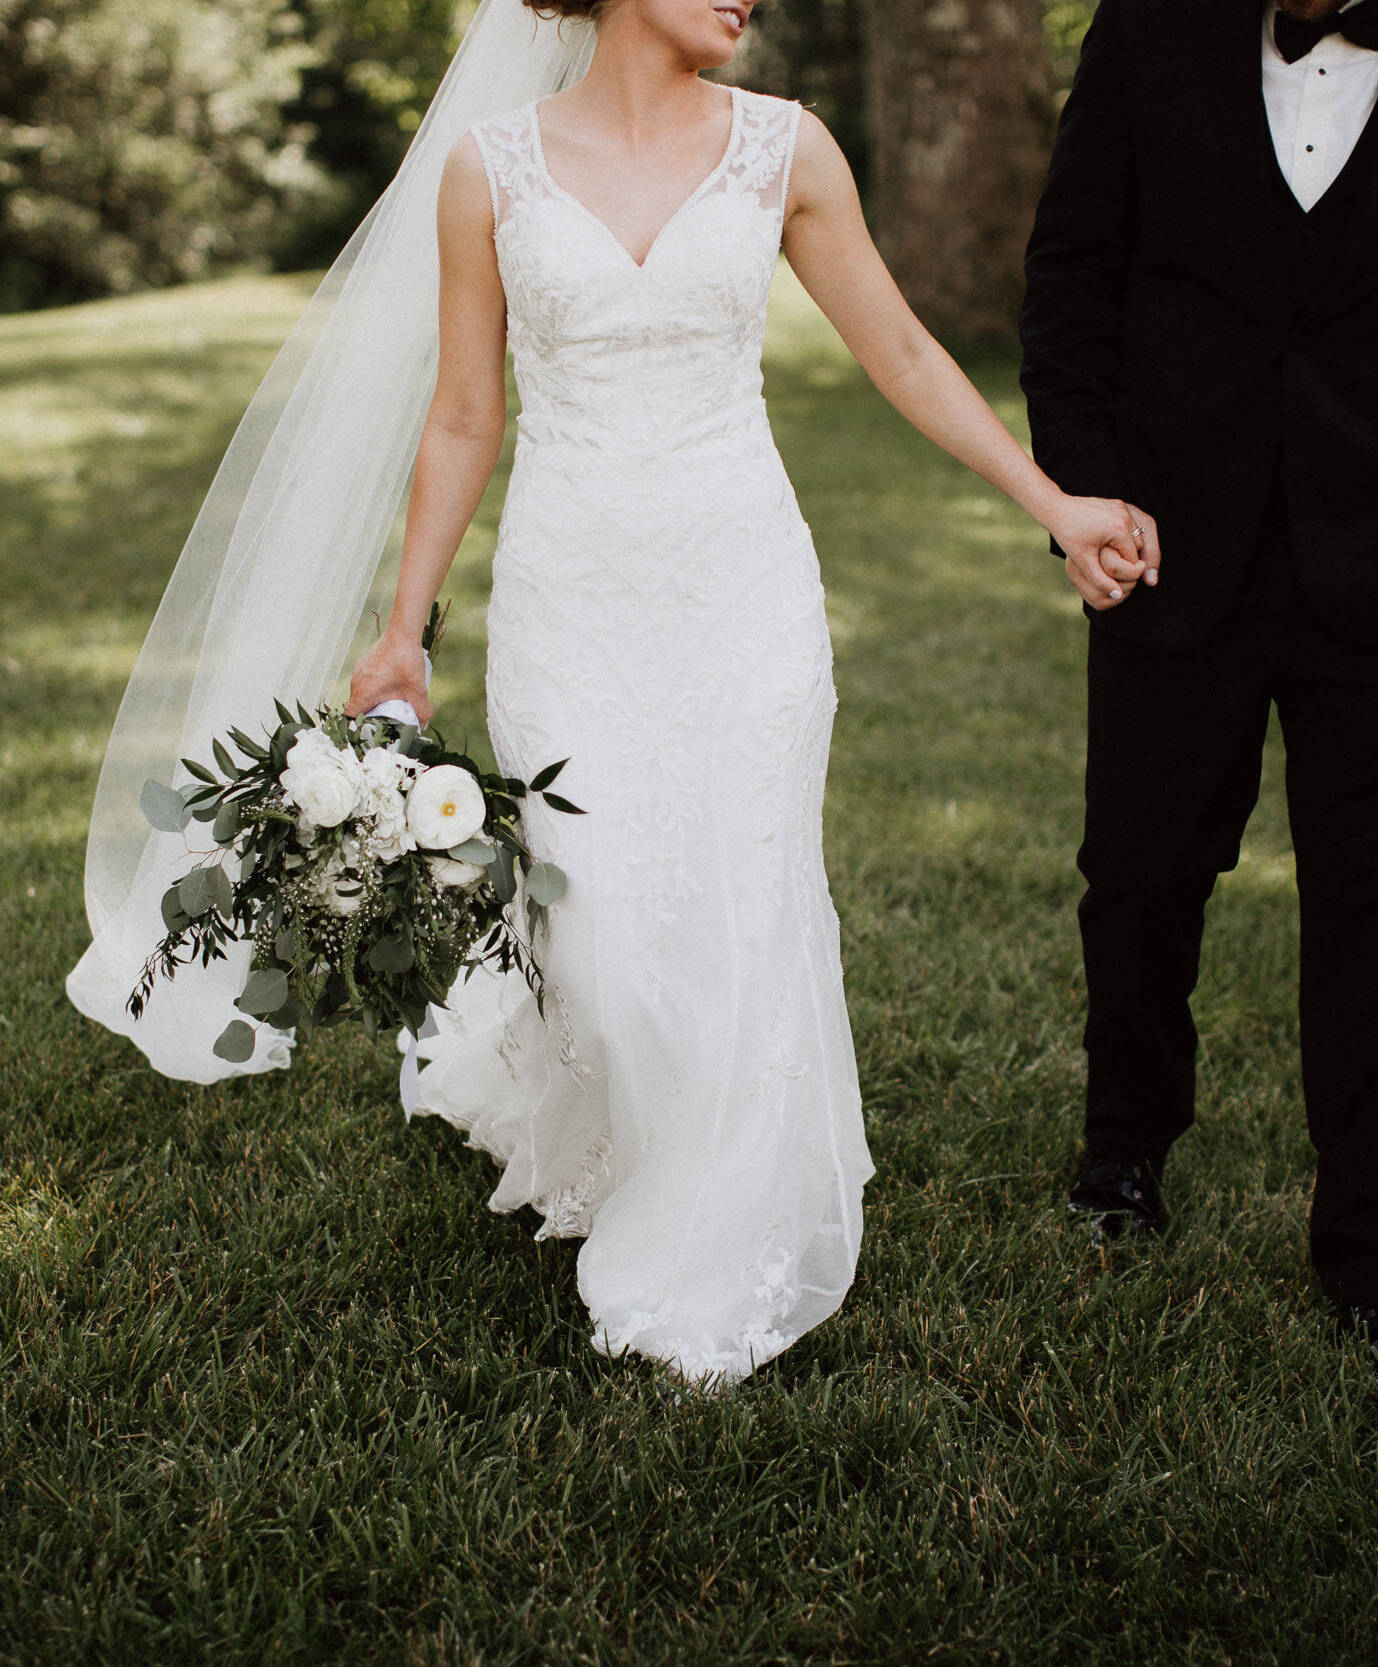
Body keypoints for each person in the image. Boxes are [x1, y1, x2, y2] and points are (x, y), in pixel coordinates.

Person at [340, 0, 1146, 1384]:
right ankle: (626, 1125)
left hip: (744, 589)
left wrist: (1052, 501)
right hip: (571, 593)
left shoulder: (788, 150)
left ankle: (712, 1219)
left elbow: (899, 352)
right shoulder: (493, 168)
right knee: (599, 933)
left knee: (741, 900)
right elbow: (468, 412)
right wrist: (405, 627)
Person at [1019, 0, 1378, 1388]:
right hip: (1170, 546)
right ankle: (1125, 1154)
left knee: (1377, 913)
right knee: (1141, 876)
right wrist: (1089, 495)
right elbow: (1074, 277)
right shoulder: (1147, 33)